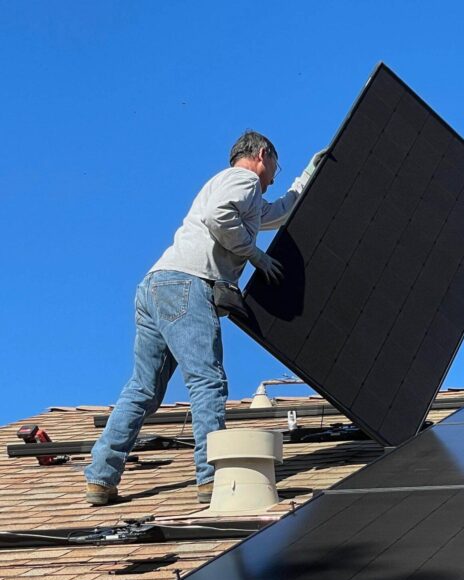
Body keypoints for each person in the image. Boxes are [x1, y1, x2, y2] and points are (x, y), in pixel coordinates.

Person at [84, 131, 325, 505]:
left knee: (143, 390)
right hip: (187, 284)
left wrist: (308, 175)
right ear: (263, 154)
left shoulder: (233, 188)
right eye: (277, 166)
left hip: (155, 286)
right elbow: (219, 217)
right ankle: (211, 479)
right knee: (207, 381)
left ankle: (100, 477)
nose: (275, 176)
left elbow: (276, 213)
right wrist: (255, 256)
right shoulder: (243, 180)